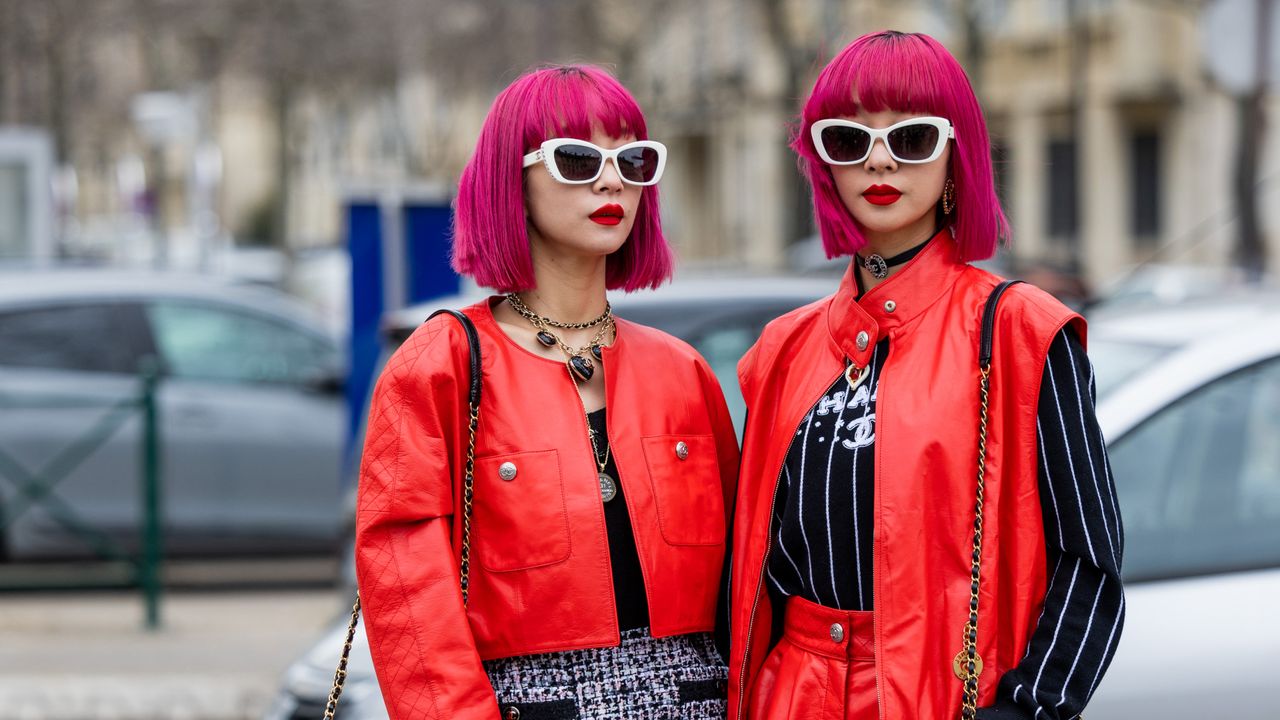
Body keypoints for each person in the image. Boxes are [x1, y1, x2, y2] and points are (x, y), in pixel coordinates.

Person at [725, 31, 1125, 720]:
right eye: (849, 140)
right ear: (825, 164)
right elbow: (750, 571)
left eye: (910, 138)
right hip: (791, 695)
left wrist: (1028, 710)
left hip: (945, 695)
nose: (879, 160)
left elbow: (1088, 564)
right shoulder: (781, 351)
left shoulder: (1022, 332)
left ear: (954, 156)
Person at [355, 64, 738, 720]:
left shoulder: (682, 371)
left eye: (633, 158)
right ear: (513, 178)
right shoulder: (441, 366)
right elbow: (406, 591)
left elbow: (744, 584)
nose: (612, 178)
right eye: (577, 157)